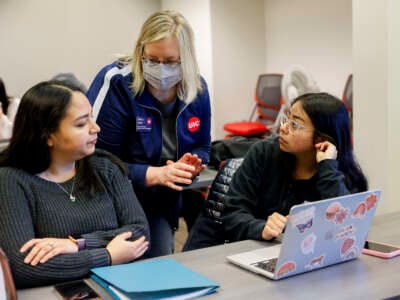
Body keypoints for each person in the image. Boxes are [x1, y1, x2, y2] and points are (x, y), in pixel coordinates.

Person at [0, 80, 150, 289]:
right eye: (81, 124)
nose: (95, 128)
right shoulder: (11, 180)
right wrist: (107, 256)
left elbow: (140, 233)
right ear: (48, 135)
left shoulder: (105, 167)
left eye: (91, 118)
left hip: (121, 286)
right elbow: (23, 268)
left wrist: (77, 244)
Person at [86, 10, 211, 257]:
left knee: (160, 262)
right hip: (111, 200)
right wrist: (153, 174)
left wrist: (190, 165)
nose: (161, 69)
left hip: (160, 199)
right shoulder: (117, 83)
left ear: (185, 59)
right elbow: (97, 162)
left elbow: (203, 147)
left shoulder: (196, 87)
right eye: (152, 59)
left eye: (171, 61)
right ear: (140, 51)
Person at [222, 92, 368, 242]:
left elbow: (347, 229)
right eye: (287, 119)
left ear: (322, 138)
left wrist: (328, 169)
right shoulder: (263, 153)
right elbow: (232, 213)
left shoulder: (344, 175)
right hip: (258, 251)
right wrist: (260, 228)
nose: (283, 128)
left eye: (295, 125)